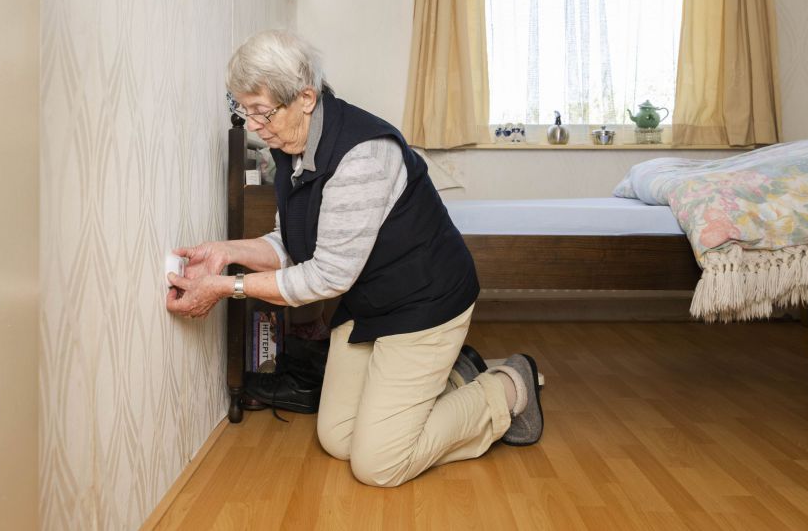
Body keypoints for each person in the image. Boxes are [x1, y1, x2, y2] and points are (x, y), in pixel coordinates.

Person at [166, 29, 543, 487]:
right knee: (338, 438)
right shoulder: (291, 146)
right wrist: (223, 253)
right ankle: (453, 377)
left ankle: (508, 385)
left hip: (425, 303)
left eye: (261, 111)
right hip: (367, 302)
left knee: (378, 464)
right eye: (244, 110)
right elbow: (293, 243)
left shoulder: (362, 156)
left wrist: (229, 287)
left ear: (305, 98)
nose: (255, 125)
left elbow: (326, 277)